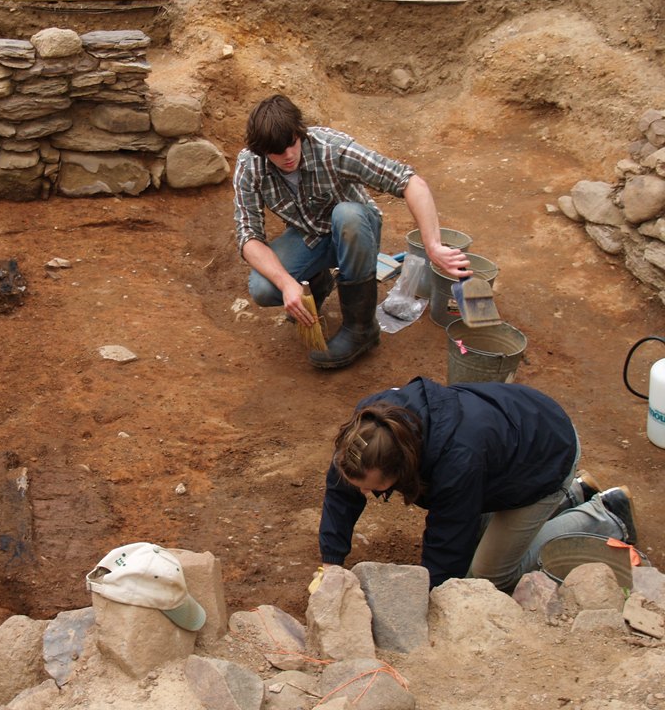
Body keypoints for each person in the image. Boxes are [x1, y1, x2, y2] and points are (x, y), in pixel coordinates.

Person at [315, 376, 638, 592]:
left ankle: (606, 514)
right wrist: (331, 562)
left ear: (403, 465)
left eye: (375, 488)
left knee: (487, 576)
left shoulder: (456, 462)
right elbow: (342, 490)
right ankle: (576, 494)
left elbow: (448, 540)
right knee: (477, 539)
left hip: (546, 457)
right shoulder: (369, 431)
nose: (365, 493)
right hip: (513, 436)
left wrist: (432, 596)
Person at [232, 94, 470, 369]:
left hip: (358, 231)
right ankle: (316, 283)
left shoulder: (331, 148)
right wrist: (287, 284)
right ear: (262, 152)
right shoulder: (250, 165)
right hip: (310, 236)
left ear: (300, 133)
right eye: (277, 152)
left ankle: (361, 329)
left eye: (292, 144)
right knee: (263, 288)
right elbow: (248, 235)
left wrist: (433, 245)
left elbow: (410, 182)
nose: (288, 156)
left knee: (347, 214)